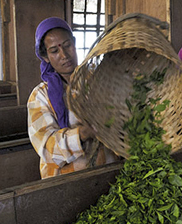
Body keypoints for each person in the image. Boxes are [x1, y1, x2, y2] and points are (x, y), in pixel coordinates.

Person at [27, 17, 117, 179]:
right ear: (45, 57)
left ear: (74, 43)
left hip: (108, 174)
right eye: (54, 51)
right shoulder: (40, 96)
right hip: (67, 181)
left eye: (67, 45)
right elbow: (48, 149)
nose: (64, 55)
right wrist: (82, 133)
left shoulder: (97, 81)